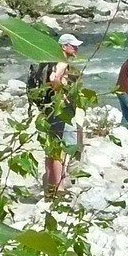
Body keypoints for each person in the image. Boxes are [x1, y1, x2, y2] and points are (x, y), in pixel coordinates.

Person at [44, 33, 84, 196]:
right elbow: (54, 78)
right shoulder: (62, 62)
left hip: (49, 108)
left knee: (51, 147)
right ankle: (58, 188)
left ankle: (50, 187)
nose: (76, 48)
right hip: (60, 110)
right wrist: (63, 95)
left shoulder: (49, 60)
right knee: (61, 149)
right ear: (63, 46)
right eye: (73, 45)